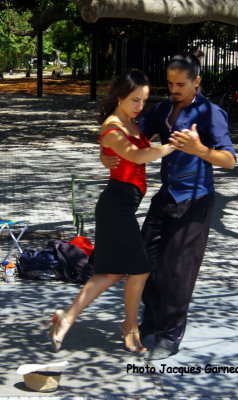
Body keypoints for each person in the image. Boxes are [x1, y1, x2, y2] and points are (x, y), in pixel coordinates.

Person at [101, 51, 236, 360]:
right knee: (143, 262)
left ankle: (170, 335)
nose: (173, 89)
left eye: (180, 84)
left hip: (196, 201)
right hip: (167, 196)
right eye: (170, 82)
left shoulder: (210, 113)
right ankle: (151, 321)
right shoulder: (162, 109)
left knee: (179, 271)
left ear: (197, 81)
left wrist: (200, 149)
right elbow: (132, 135)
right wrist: (105, 152)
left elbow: (229, 160)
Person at [48, 68, 174, 353]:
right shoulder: (113, 126)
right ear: (120, 97)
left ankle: (66, 318)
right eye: (134, 100)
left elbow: (123, 153)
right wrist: (170, 148)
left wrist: (105, 155)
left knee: (111, 273)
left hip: (123, 205)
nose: (140, 107)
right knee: (139, 270)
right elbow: (136, 155)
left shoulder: (131, 121)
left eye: (143, 101)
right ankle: (129, 327)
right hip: (116, 206)